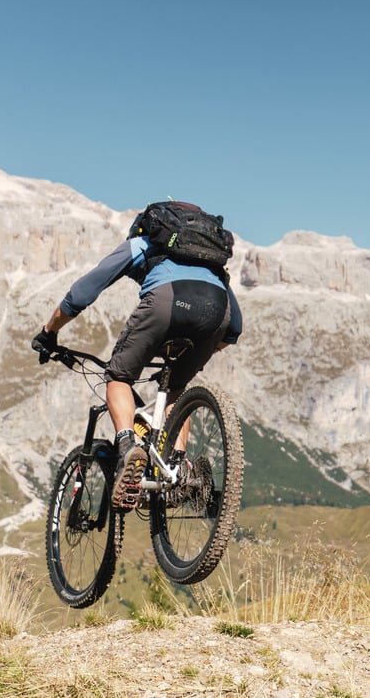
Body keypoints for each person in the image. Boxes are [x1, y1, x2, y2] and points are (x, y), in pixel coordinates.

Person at [32, 205, 242, 511]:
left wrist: (49, 332)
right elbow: (233, 330)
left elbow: (81, 293)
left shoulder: (142, 243)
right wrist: (185, 360)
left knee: (119, 376)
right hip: (216, 312)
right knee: (174, 391)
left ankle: (128, 444)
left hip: (165, 302)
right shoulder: (211, 264)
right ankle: (178, 470)